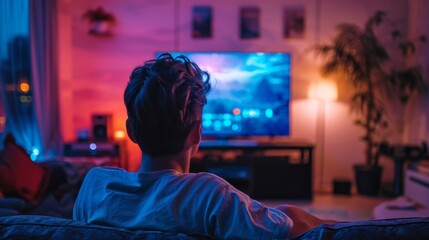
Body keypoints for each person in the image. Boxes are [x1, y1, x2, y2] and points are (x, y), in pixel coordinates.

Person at [73, 53, 332, 239]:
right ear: (197, 133)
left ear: (131, 131)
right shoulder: (208, 194)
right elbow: (284, 229)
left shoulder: (95, 185)